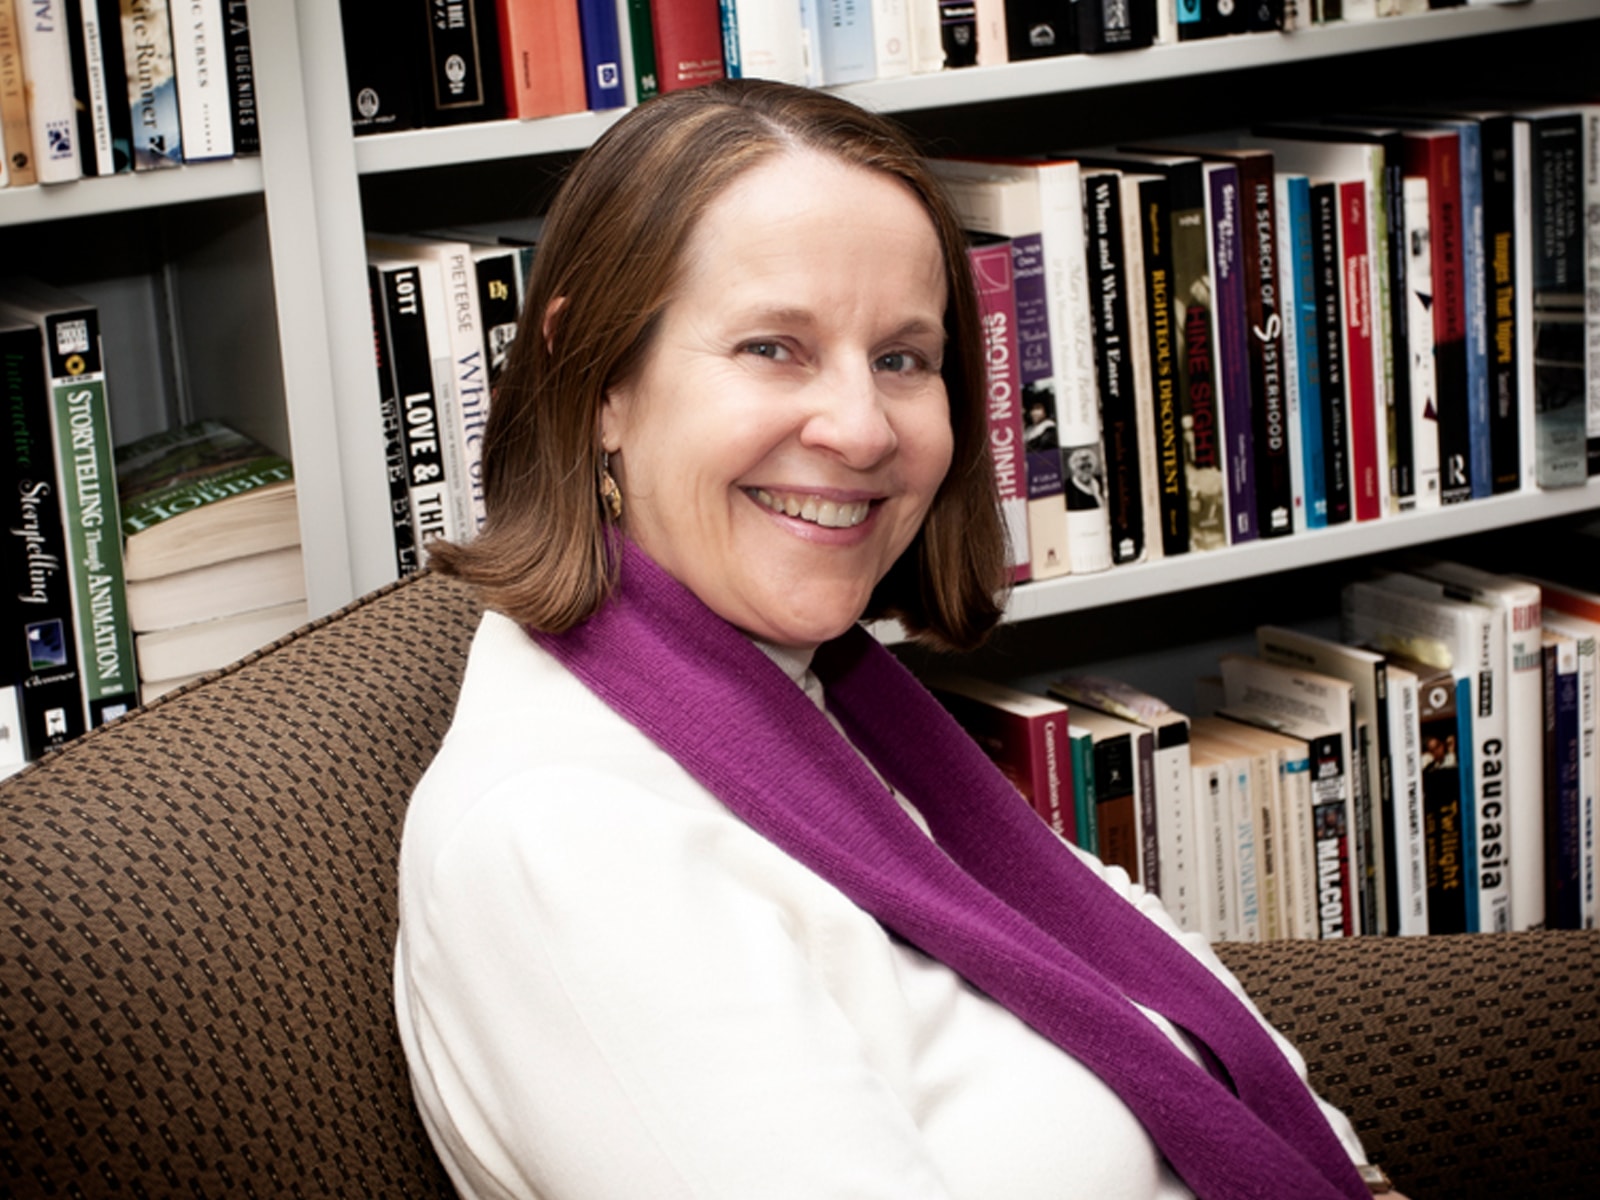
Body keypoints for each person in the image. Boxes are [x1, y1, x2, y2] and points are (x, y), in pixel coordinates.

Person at [394, 79, 1402, 1200]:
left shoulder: (828, 703)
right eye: (773, 346)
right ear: (599, 383)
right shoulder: (568, 845)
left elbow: (1169, 1008)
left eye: (902, 359)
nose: (863, 429)